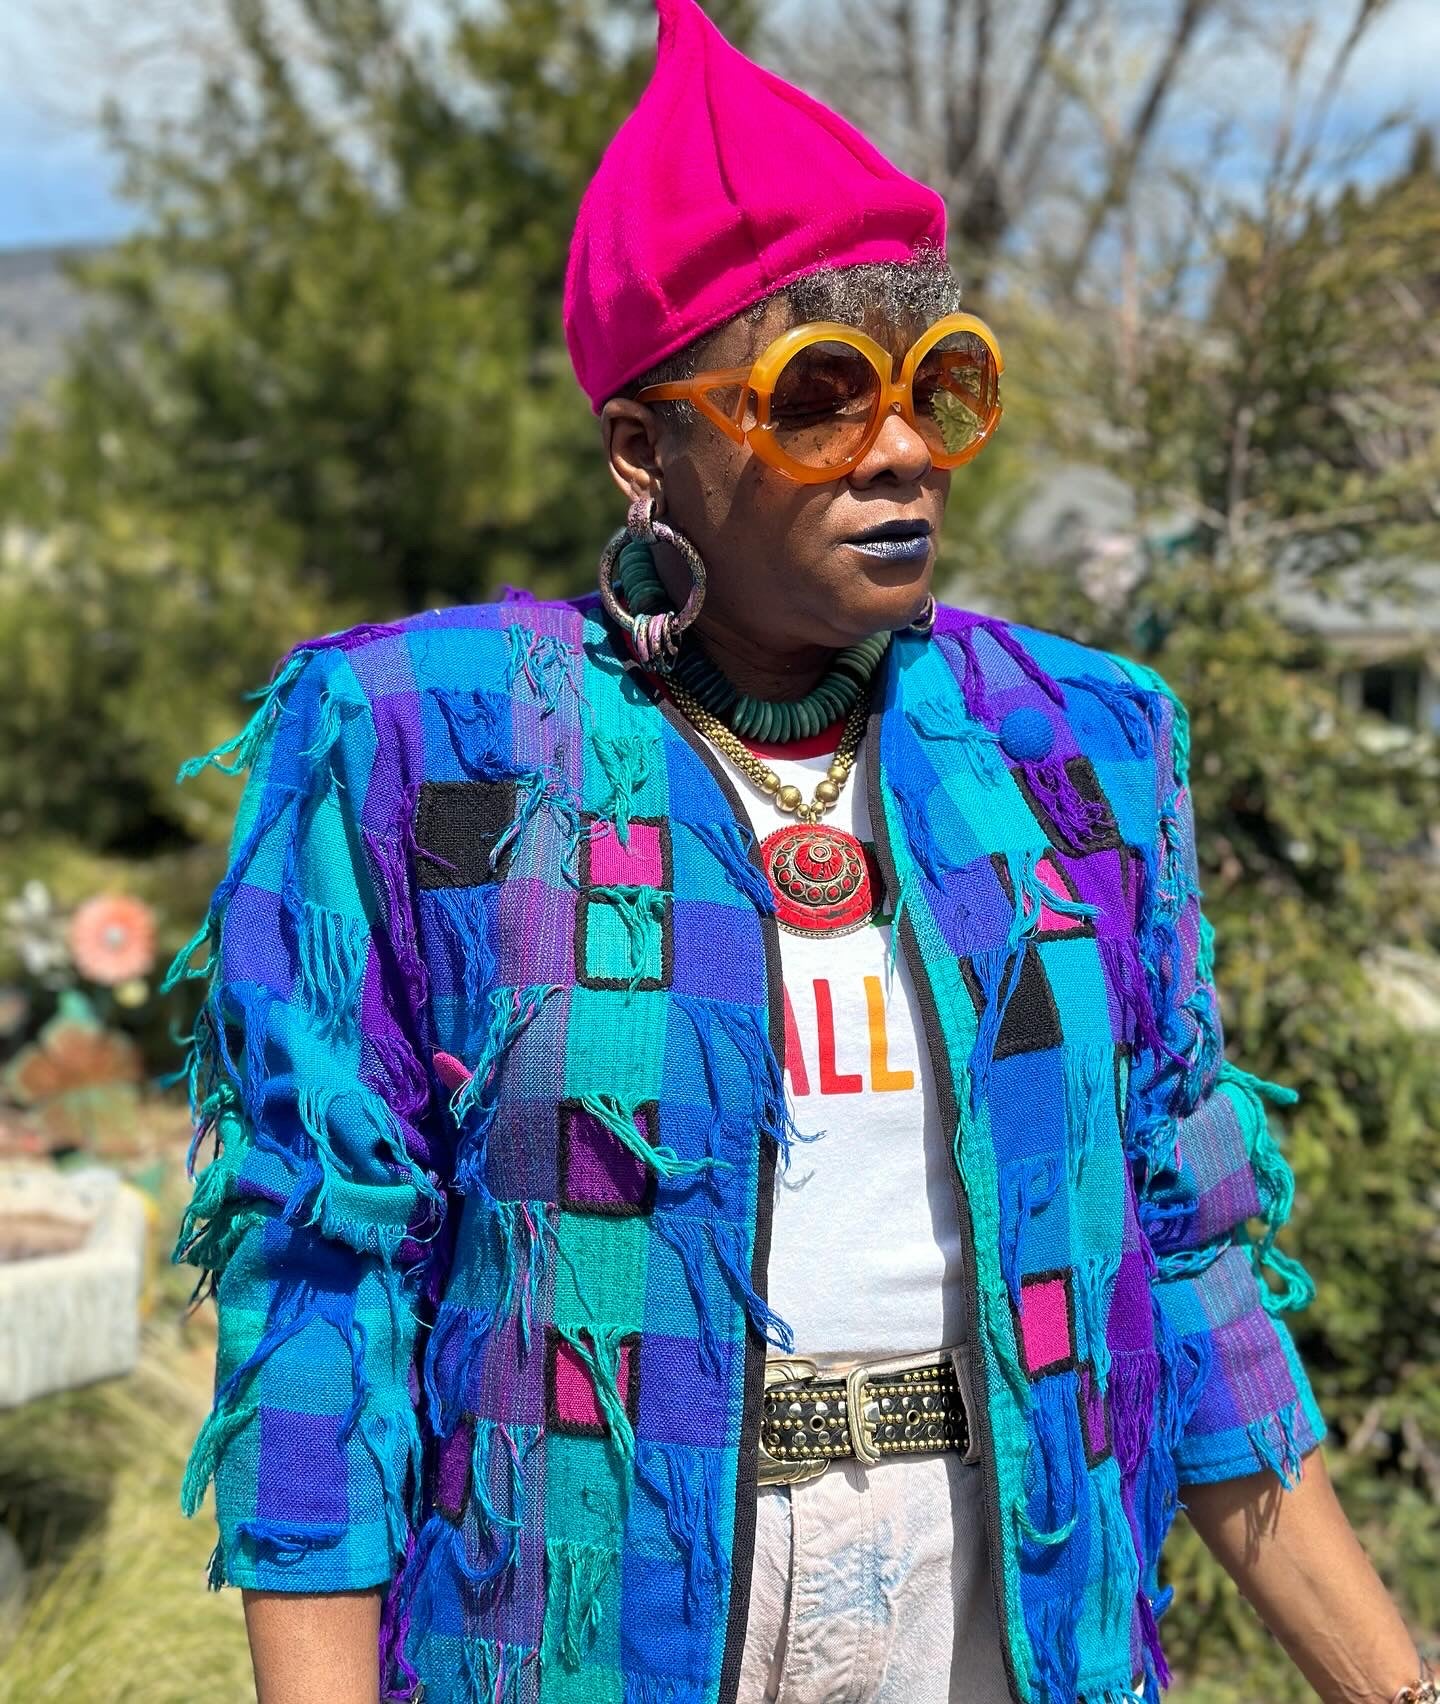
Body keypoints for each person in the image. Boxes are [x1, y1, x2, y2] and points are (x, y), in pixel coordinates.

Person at [169, 3, 1434, 1701]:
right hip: (603, 1632)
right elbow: (327, 1289)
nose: (901, 448)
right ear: (647, 450)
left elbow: (1187, 1263)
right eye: (819, 396)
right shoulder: (426, 744)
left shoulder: (1076, 747)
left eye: (937, 388)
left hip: (996, 1608)